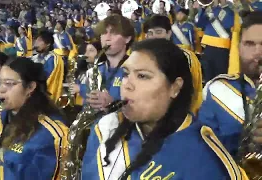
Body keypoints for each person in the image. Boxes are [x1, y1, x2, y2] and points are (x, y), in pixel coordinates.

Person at [81, 38, 248, 180]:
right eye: (126, 74)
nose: (127, 85)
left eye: (142, 76)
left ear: (175, 87)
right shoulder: (105, 128)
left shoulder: (207, 159)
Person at [0, 57, 68, 180]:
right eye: (0, 82)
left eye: (9, 83)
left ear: (30, 87)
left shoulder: (52, 132)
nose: (1, 89)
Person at [197, 11, 262, 157]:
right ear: (239, 48)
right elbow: (202, 150)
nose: (258, 52)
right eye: (250, 44)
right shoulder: (217, 90)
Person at [70, 14, 135, 110]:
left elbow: (144, 110)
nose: (107, 38)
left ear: (127, 38)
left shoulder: (136, 70)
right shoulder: (95, 70)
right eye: (103, 33)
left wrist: (112, 103)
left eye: (114, 33)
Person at [144, 15, 203, 114]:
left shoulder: (187, 57)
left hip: (180, 117)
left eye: (159, 32)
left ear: (169, 33)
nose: (154, 37)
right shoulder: (141, 59)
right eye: (150, 33)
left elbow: (196, 93)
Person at [32, 30, 64, 102]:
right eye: (36, 40)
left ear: (48, 44)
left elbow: (46, 77)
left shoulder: (52, 59)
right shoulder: (34, 58)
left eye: (40, 41)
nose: (36, 43)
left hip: (45, 97)